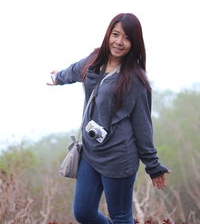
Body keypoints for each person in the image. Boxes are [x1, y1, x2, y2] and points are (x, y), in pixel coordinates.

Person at [47, 13, 170, 224]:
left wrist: (153, 165)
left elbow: (142, 125)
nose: (119, 42)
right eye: (115, 34)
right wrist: (58, 78)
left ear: (134, 43)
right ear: (108, 34)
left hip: (119, 157)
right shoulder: (94, 61)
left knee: (121, 218)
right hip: (91, 153)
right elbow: (75, 70)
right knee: (83, 213)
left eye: (127, 38)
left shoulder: (135, 79)